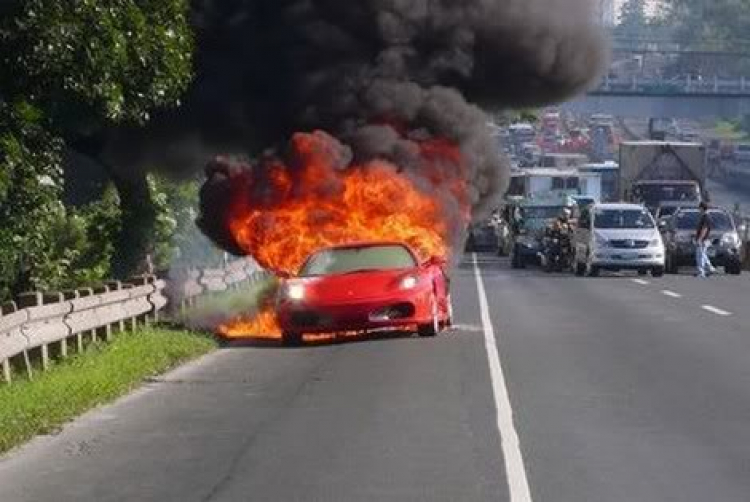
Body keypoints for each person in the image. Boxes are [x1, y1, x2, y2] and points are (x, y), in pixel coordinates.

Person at [695, 202, 716, 277]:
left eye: (699, 208)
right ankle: (710, 268)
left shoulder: (706, 217)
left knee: (700, 256)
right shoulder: (706, 216)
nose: (698, 210)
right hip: (705, 239)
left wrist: (700, 239)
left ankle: (701, 272)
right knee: (703, 254)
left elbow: (704, 229)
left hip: (704, 239)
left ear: (702, 208)